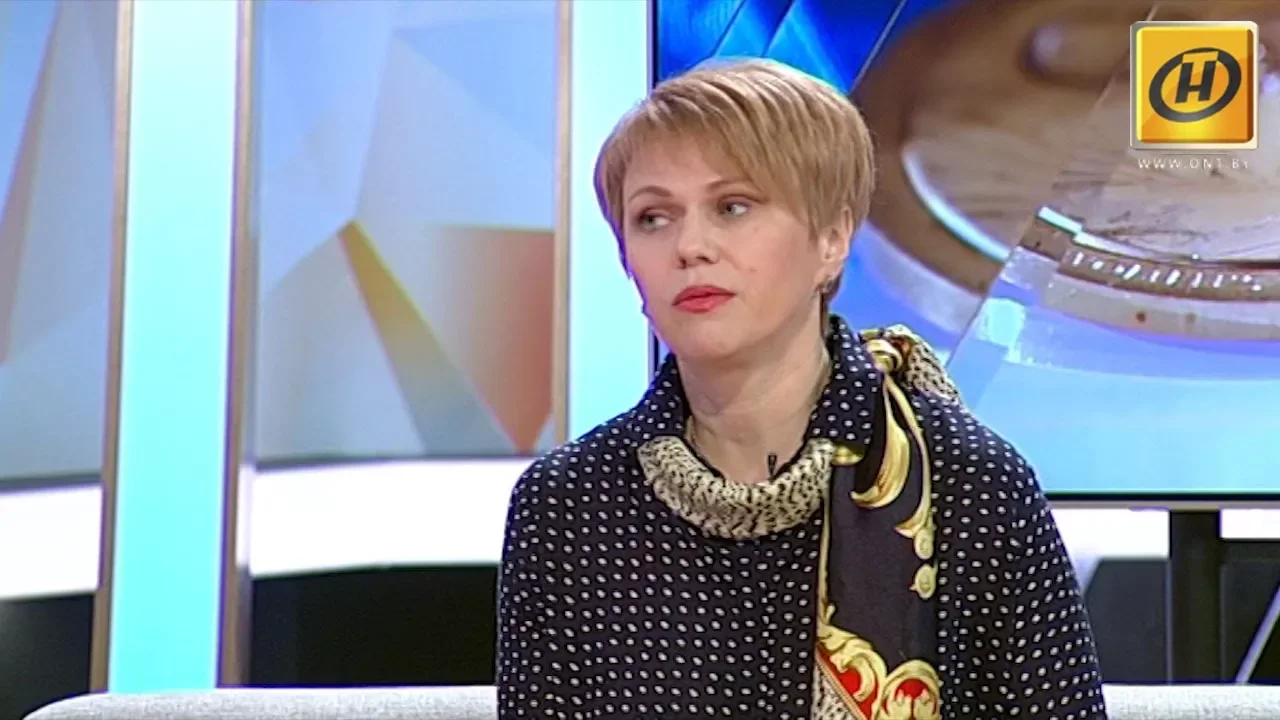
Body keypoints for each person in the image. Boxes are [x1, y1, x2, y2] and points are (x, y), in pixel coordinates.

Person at [496, 58, 1107, 720]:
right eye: (652, 218)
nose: (690, 246)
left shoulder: (971, 484)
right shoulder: (568, 506)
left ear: (832, 239)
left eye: (732, 207)